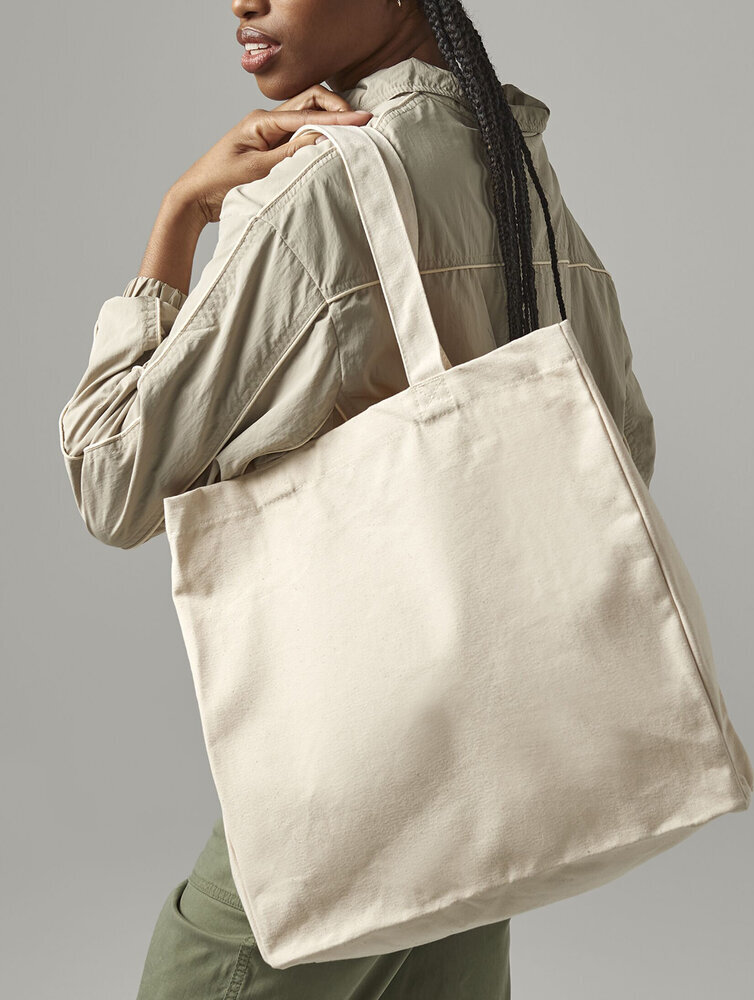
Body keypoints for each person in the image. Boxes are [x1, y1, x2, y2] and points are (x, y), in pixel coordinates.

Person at [57, 1, 657, 997]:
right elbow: (620, 452)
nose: (242, 2)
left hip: (353, 770)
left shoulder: (317, 191)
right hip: (486, 775)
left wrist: (178, 218)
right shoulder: (519, 174)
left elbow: (113, 479)